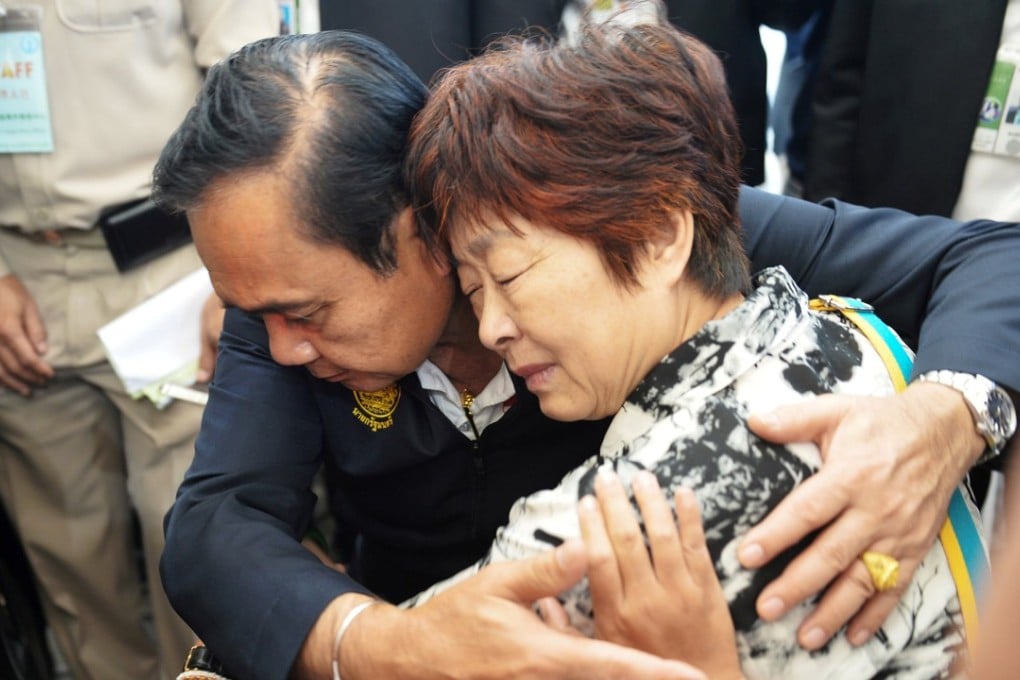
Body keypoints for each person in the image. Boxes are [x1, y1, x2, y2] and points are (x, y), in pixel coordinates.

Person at [152, 30, 1019, 680]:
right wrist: (384, 644)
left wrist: (942, 419)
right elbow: (212, 527)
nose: (278, 346)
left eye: (305, 312)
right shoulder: (279, 308)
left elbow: (988, 258)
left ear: (422, 222)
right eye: (251, 311)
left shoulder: (612, 222)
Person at [404, 20, 981, 678]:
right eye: (474, 292)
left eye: (507, 276)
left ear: (658, 240)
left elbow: (405, 654)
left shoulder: (637, 518)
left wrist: (336, 634)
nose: (489, 329)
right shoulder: (846, 324)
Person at [0, 3, 278, 679]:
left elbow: (251, 81)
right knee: (70, 557)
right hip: (17, 285)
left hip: (171, 269)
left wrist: (234, 280)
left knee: (192, 541)